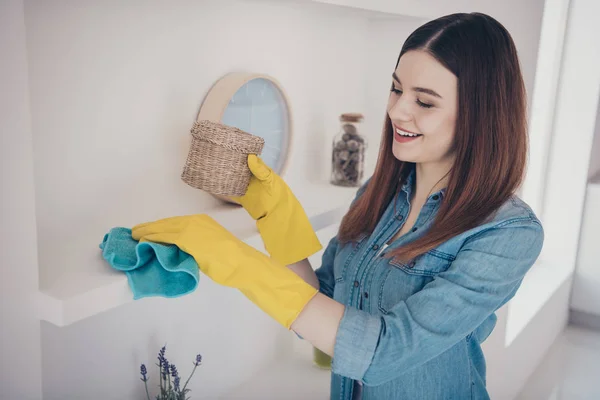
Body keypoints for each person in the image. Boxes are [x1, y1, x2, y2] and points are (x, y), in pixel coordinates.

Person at [132, 12, 544, 400]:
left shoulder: (508, 234)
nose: (397, 109)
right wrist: (279, 220)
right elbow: (322, 313)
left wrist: (238, 262)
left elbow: (385, 351)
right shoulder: (378, 193)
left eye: (425, 101)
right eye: (397, 88)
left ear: (481, 115)